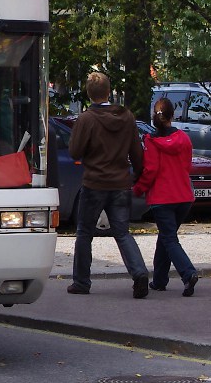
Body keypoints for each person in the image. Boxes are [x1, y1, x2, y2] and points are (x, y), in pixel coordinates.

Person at [67, 72, 150, 298]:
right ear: (108, 90)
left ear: (88, 93)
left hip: (95, 182)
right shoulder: (127, 117)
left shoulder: (86, 119)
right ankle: (139, 272)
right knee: (122, 232)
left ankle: (82, 282)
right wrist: (137, 174)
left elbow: (74, 151)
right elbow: (137, 152)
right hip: (121, 182)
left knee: (84, 233)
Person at [134, 97, 199, 296]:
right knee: (165, 238)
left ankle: (188, 274)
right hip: (184, 196)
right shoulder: (184, 138)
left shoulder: (151, 141)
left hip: (162, 198)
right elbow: (187, 166)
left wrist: (138, 189)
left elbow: (151, 170)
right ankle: (160, 280)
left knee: (169, 239)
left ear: (155, 116)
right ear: (173, 115)